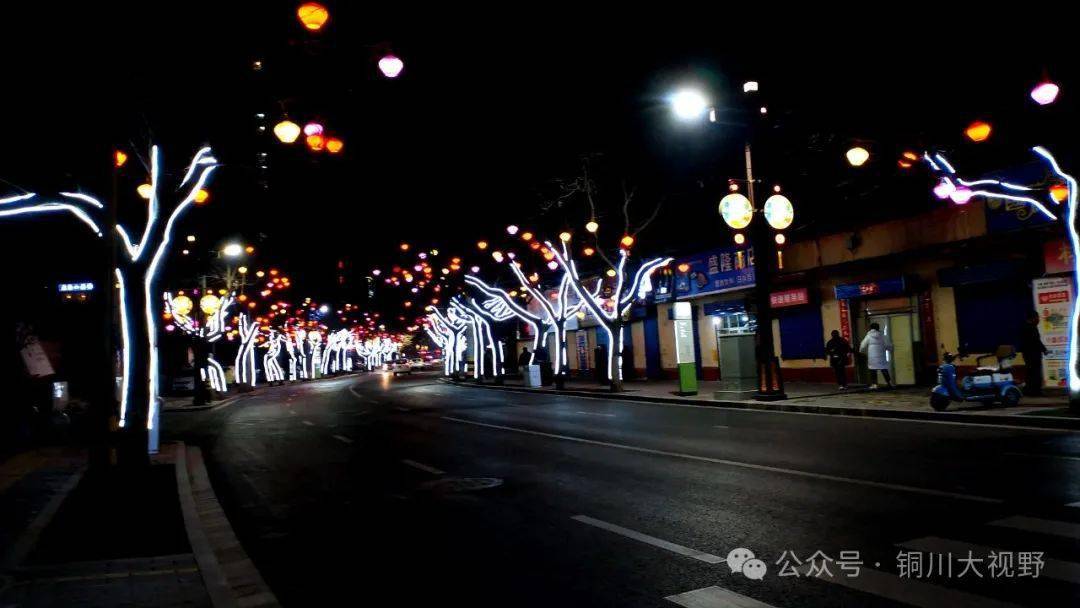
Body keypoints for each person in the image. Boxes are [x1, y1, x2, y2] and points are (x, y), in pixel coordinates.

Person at [1019, 310, 1047, 397]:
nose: (1038, 319)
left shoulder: (1024, 327)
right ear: (1033, 318)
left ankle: (1029, 390)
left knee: (1030, 372)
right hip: (1033, 354)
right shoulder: (1031, 328)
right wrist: (1044, 349)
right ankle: (1036, 391)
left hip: (1027, 354)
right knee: (1035, 373)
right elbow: (1036, 341)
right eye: (1037, 317)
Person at [859, 322, 893, 389]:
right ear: (878, 328)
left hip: (872, 356)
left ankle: (874, 384)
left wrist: (861, 351)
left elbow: (863, 345)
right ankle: (889, 383)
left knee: (873, 370)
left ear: (870, 328)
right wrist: (890, 350)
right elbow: (888, 345)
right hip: (881, 355)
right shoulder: (883, 336)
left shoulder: (868, 336)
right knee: (884, 368)